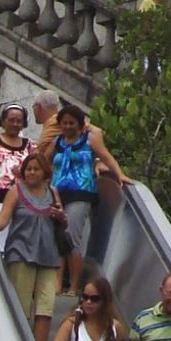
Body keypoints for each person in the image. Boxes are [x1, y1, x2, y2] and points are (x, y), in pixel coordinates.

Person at [0, 151, 64, 341]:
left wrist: (60, 216)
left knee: (46, 307)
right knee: (22, 305)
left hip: (47, 254)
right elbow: (4, 217)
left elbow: (62, 219)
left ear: (45, 172)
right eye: (29, 169)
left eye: (36, 169)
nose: (32, 173)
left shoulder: (52, 192)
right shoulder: (16, 191)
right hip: (21, 253)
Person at [46, 103, 124, 293]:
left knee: (72, 236)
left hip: (81, 192)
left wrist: (120, 175)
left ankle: (74, 285)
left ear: (80, 124)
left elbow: (106, 156)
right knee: (56, 237)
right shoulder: (57, 142)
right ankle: (56, 283)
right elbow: (42, 159)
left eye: (72, 123)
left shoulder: (89, 140)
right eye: (64, 123)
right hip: (57, 193)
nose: (67, 126)